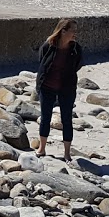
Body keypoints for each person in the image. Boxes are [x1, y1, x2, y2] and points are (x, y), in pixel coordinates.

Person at [35, 18, 83, 159]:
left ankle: (67, 153)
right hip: (46, 86)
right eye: (72, 30)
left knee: (67, 119)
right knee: (45, 117)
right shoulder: (48, 45)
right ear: (63, 31)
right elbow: (42, 61)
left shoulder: (76, 49)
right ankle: (42, 148)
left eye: (76, 31)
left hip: (67, 88)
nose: (75, 34)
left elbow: (78, 65)